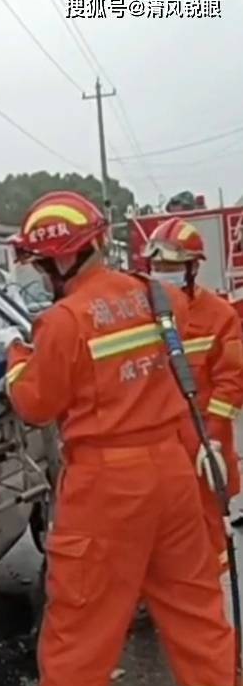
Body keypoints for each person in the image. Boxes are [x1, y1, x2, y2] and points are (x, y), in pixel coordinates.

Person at [0, 191, 241, 686]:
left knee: (81, 628)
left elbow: (34, 404)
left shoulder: (63, 322)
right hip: (173, 474)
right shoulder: (155, 295)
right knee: (201, 622)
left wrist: (16, 356)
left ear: (56, 261)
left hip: (108, 487)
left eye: (37, 264)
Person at [143, 218, 243, 583]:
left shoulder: (218, 314)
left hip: (205, 445)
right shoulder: (141, 312)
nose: (162, 274)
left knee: (206, 535)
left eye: (170, 266)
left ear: (193, 267)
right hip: (158, 447)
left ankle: (206, 600)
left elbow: (232, 381)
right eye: (157, 267)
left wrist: (212, 438)